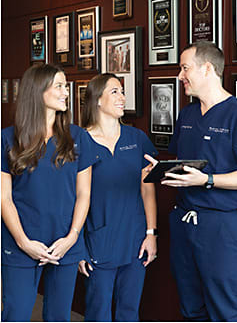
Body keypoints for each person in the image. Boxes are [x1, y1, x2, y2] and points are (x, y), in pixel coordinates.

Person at [146, 41, 237, 321]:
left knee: (226, 307)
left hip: (220, 225)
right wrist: (161, 170)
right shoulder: (188, 114)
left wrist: (208, 180)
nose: (180, 76)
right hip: (183, 222)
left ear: (207, 68)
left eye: (185, 68)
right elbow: (185, 165)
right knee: (190, 306)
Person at [1, 63, 98, 322]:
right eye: (59, 86)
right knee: (16, 314)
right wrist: (23, 242)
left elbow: (84, 195)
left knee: (58, 316)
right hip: (20, 243)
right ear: (37, 91)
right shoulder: (7, 139)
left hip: (64, 245)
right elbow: (4, 199)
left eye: (64, 86)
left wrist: (72, 238)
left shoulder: (78, 138)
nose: (65, 92)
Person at [78, 73, 158, 322]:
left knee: (129, 312)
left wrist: (151, 233)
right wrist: (78, 246)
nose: (122, 97)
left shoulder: (137, 139)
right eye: (115, 92)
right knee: (98, 313)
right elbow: (74, 198)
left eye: (122, 91)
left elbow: (147, 188)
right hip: (98, 241)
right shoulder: (79, 142)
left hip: (135, 240)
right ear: (97, 100)